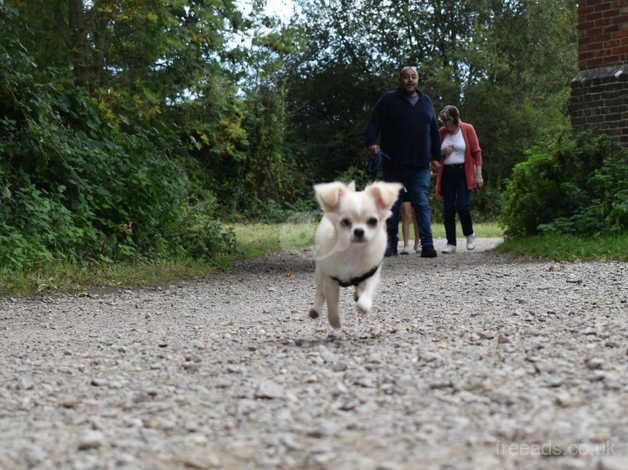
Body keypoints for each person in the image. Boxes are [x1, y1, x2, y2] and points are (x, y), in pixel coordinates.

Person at [366, 66, 441, 258]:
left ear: (418, 80)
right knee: (393, 205)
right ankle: (391, 245)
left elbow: (434, 131)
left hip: (420, 163)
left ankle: (427, 244)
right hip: (393, 162)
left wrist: (436, 157)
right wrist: (373, 142)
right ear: (401, 80)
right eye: (406, 77)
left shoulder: (426, 102)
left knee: (421, 203)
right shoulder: (388, 100)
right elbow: (374, 122)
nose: (410, 80)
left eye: (413, 77)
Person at [436, 105, 483, 254]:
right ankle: (451, 243)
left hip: (464, 172)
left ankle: (469, 236)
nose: (445, 125)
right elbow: (434, 154)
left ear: (455, 119)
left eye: (447, 121)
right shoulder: (442, 133)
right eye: (443, 122)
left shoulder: (468, 129)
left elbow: (476, 152)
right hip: (447, 173)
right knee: (448, 209)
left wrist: (478, 174)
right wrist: (442, 152)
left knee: (463, 206)